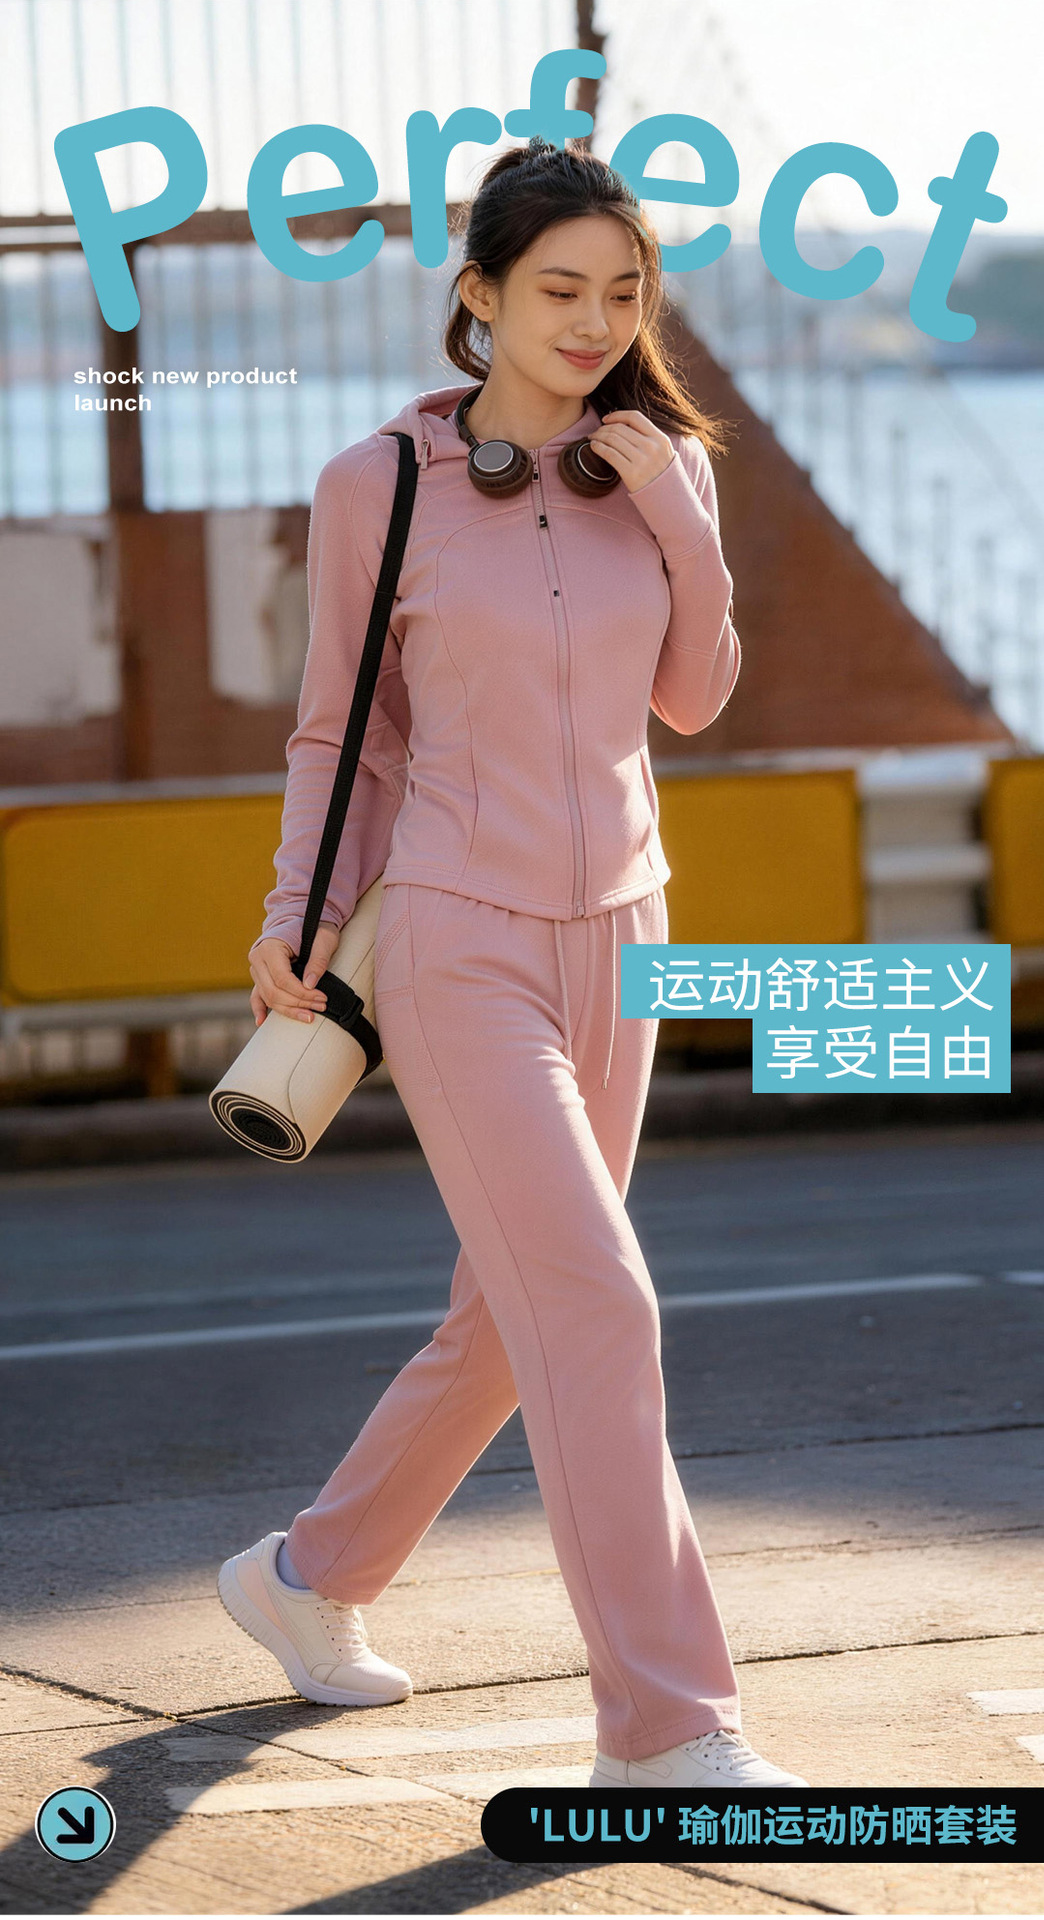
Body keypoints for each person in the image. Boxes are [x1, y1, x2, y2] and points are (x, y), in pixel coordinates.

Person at [219, 136, 807, 1791]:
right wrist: (296, 912)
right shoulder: (381, 484)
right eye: (560, 289)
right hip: (456, 936)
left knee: (511, 1314)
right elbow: (344, 734)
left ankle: (308, 1574)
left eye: (625, 291)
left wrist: (683, 516)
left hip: (625, 932)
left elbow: (695, 695)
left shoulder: (659, 472)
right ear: (479, 295)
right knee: (598, 1304)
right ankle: (670, 1725)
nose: (595, 321)